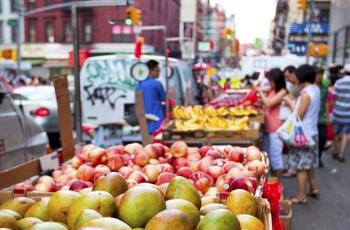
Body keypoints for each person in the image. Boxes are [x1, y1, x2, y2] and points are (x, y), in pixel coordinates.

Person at [283, 64, 320, 204]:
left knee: (301, 167)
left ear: (301, 77)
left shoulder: (305, 94)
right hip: (312, 132)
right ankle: (314, 188)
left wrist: (289, 102)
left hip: (303, 135)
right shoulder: (315, 89)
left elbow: (299, 115)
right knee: (309, 164)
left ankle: (300, 196)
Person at [258, 68, 288, 181]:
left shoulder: (282, 92)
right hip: (268, 128)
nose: (270, 83)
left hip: (276, 129)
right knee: (267, 155)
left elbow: (269, 104)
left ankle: (276, 181)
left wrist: (261, 93)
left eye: (271, 81)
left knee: (275, 156)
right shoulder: (273, 90)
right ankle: (271, 178)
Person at [135, 60, 166, 134]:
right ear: (150, 71)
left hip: (144, 120)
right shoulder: (157, 84)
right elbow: (164, 97)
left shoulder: (139, 85)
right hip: (157, 119)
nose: (159, 73)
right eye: (157, 70)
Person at [331, 63, 350, 162]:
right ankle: (341, 153)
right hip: (348, 114)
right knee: (345, 133)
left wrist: (331, 108)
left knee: (336, 132)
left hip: (338, 112)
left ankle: (335, 149)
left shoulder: (339, 82)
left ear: (345, 72)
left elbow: (334, 98)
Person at [315, 68, 329, 168]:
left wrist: (327, 116)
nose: (319, 76)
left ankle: (318, 156)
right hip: (312, 118)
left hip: (321, 117)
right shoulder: (311, 87)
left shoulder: (324, 87)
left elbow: (326, 101)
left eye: (321, 74)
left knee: (323, 137)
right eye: (318, 74)